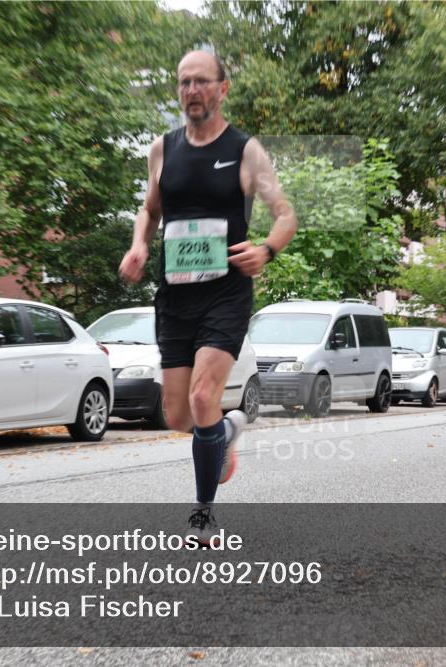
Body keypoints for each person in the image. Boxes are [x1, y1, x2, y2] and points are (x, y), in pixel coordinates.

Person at [119, 50, 296, 545]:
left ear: (223, 89)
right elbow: (148, 212)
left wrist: (266, 249)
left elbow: (285, 215)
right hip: (175, 297)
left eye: (201, 82)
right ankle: (229, 429)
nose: (191, 91)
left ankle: (203, 514)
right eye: (183, 83)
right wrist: (139, 245)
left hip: (226, 293)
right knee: (180, 414)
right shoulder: (162, 149)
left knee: (202, 398)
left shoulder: (245, 150)